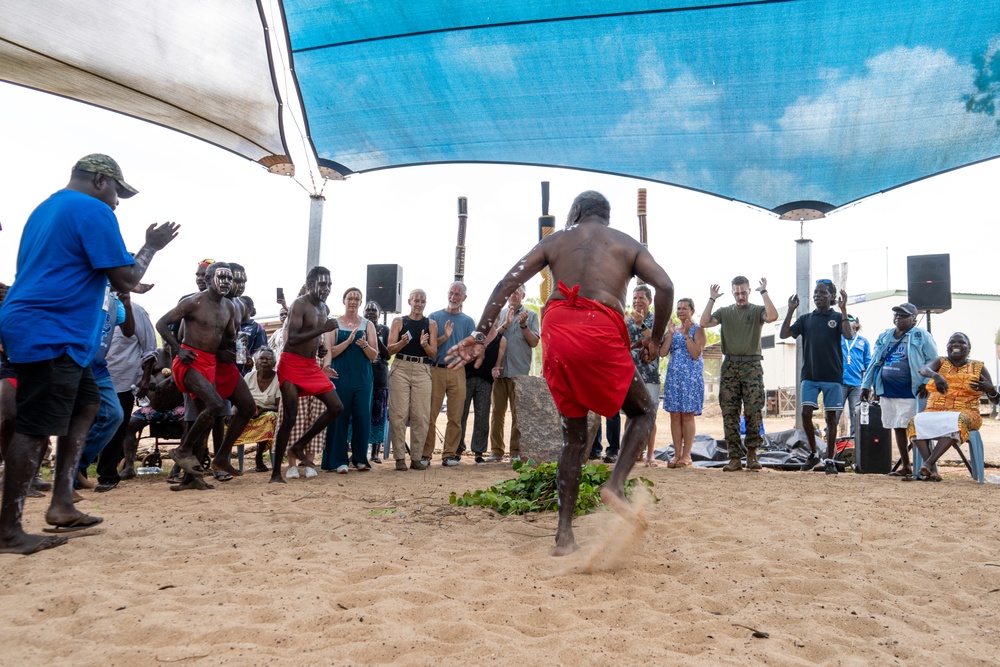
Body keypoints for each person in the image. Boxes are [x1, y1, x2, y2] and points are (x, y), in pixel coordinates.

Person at [447, 190, 674, 556]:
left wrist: (479, 334)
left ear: (578, 211)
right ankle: (615, 485)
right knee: (644, 410)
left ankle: (564, 536)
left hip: (558, 334)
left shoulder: (556, 240)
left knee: (572, 438)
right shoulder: (626, 244)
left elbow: (507, 282)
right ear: (606, 217)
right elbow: (664, 285)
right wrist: (655, 337)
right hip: (598, 327)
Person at [0, 153, 178, 554]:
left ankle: (62, 502)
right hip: (51, 327)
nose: (117, 201)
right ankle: (8, 529)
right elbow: (127, 277)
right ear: (100, 180)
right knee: (33, 424)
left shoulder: (47, 209)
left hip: (43, 322)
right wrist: (151, 247)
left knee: (87, 404)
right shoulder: (93, 210)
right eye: (117, 191)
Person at [157, 262, 256, 488]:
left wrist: (234, 344)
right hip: (189, 362)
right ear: (210, 278)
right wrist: (179, 350)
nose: (226, 282)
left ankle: (193, 478)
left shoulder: (230, 307)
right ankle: (182, 450)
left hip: (211, 363)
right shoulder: (195, 301)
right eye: (222, 277)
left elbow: (228, 337)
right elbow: (162, 323)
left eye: (229, 279)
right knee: (214, 404)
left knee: (210, 416)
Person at [270, 266, 344, 483]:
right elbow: (291, 339)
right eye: (323, 284)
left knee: (336, 407)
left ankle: (300, 444)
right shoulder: (299, 304)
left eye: (329, 284)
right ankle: (276, 472)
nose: (327, 288)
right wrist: (321, 332)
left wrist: (319, 346)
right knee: (290, 417)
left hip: (311, 365)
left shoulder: (325, 308)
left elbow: (312, 337)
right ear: (311, 284)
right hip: (291, 364)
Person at [699, 276, 778, 472]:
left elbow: (773, 316)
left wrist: (764, 292)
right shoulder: (725, 312)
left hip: (752, 366)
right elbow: (704, 322)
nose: (740, 296)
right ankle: (734, 457)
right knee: (729, 412)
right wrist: (712, 298)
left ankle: (752, 455)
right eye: (737, 293)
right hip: (730, 366)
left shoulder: (757, 310)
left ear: (749, 291)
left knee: (753, 411)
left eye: (743, 292)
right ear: (732, 292)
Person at [779, 279, 853, 474]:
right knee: (805, 414)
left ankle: (829, 458)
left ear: (832, 297)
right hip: (810, 375)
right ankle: (813, 454)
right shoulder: (806, 319)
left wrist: (844, 310)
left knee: (831, 419)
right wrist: (790, 310)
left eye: (822, 293)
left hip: (832, 376)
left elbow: (849, 335)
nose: (817, 296)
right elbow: (784, 334)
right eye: (815, 293)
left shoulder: (837, 317)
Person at [906, 332, 997, 481]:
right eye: (952, 342)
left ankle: (928, 463)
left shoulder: (978, 367)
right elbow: (923, 369)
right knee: (914, 422)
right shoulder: (940, 362)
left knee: (957, 421)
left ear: (969, 348)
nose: (956, 344)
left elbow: (995, 400)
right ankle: (932, 470)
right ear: (947, 346)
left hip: (966, 412)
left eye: (961, 342)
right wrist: (936, 376)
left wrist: (991, 390)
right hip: (935, 411)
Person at [861, 302, 938, 478]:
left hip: (910, 391)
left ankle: (927, 467)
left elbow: (933, 360)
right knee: (897, 426)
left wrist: (926, 382)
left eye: (903, 315)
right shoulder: (885, 336)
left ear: (913, 318)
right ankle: (906, 465)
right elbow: (874, 361)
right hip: (887, 390)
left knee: (914, 428)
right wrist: (866, 385)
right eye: (896, 314)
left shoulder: (922, 336)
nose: (898, 318)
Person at [99, 291, 157, 484]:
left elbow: (149, 347)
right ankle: (80, 472)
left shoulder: (137, 312)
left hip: (124, 381)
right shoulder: (95, 309)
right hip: (94, 376)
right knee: (90, 424)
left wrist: (145, 379)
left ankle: (107, 474)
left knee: (117, 426)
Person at [322, 287, 379, 473]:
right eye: (350, 298)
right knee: (339, 417)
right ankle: (339, 460)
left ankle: (360, 458)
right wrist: (347, 343)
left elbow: (374, 355)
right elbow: (329, 351)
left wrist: (364, 345)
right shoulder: (334, 324)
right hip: (340, 376)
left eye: (356, 298)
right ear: (344, 300)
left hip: (363, 378)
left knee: (363, 416)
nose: (353, 301)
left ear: (360, 303)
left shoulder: (368, 325)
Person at [422, 282, 476, 467]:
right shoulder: (434, 317)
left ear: (464, 298)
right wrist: (445, 336)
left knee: (456, 415)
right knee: (430, 414)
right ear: (447, 294)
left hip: (457, 372)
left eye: (458, 294)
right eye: (451, 293)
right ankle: (425, 454)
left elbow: (472, 348)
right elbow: (428, 345)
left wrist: (463, 359)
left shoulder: (468, 321)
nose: (454, 297)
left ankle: (449, 454)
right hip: (435, 369)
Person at [386, 289, 438, 471]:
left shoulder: (431, 324)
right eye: (416, 300)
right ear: (409, 301)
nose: (419, 303)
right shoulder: (399, 321)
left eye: (422, 300)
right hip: (401, 367)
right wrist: (402, 343)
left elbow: (434, 353)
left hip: (423, 369)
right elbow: (389, 350)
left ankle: (416, 458)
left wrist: (424, 345)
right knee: (398, 414)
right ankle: (399, 458)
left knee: (421, 415)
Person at [488, 284, 540, 462]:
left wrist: (524, 326)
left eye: (517, 292)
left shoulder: (531, 315)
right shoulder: (500, 314)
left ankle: (516, 451)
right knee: (497, 412)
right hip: (499, 371)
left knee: (518, 414)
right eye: (511, 293)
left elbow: (534, 343)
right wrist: (505, 323)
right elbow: (491, 339)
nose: (513, 295)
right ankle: (496, 451)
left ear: (523, 295)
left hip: (519, 373)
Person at [660, 297, 706, 468]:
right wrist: (671, 335)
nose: (680, 311)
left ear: (692, 311)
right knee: (674, 415)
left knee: (687, 415)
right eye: (678, 308)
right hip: (674, 378)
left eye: (684, 308)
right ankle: (676, 455)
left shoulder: (697, 329)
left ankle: (687, 455)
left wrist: (686, 335)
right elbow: (663, 353)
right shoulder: (672, 330)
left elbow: (696, 354)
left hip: (690, 379)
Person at [627, 285, 663, 466]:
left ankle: (650, 456)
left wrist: (641, 324)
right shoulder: (626, 320)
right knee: (630, 415)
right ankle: (632, 454)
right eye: (634, 298)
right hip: (629, 374)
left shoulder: (656, 320)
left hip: (650, 376)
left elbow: (658, 341)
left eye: (641, 298)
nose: (637, 301)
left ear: (650, 300)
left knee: (650, 416)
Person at [459, 325, 506, 464]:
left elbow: (498, 361)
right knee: (462, 414)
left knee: (482, 416)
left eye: (496, 317)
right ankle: (457, 450)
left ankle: (478, 452)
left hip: (486, 381)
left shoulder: (500, 339)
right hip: (468, 378)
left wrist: (496, 369)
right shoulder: (474, 335)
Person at [233, 348, 281, 472]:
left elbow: (279, 406)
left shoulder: (278, 379)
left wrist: (263, 409)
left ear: (274, 363)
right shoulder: (249, 376)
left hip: (266, 412)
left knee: (269, 417)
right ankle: (223, 460)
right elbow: (238, 398)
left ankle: (259, 456)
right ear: (256, 362)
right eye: (261, 358)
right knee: (227, 419)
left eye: (268, 359)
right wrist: (234, 410)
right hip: (246, 412)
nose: (264, 361)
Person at [363, 301, 391, 463]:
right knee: (360, 413)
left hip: (379, 377)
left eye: (374, 311)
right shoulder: (359, 327)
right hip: (363, 375)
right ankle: (358, 448)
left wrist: (374, 333)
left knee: (378, 414)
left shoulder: (385, 330)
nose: (371, 313)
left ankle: (375, 452)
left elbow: (387, 354)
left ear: (379, 314)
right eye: (368, 310)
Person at [837, 314, 871, 439]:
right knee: (835, 413)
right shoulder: (837, 339)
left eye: (851, 320)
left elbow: (868, 363)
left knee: (855, 414)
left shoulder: (863, 341)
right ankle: (829, 442)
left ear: (856, 324)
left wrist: (867, 384)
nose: (847, 322)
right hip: (839, 382)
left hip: (857, 384)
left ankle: (854, 442)